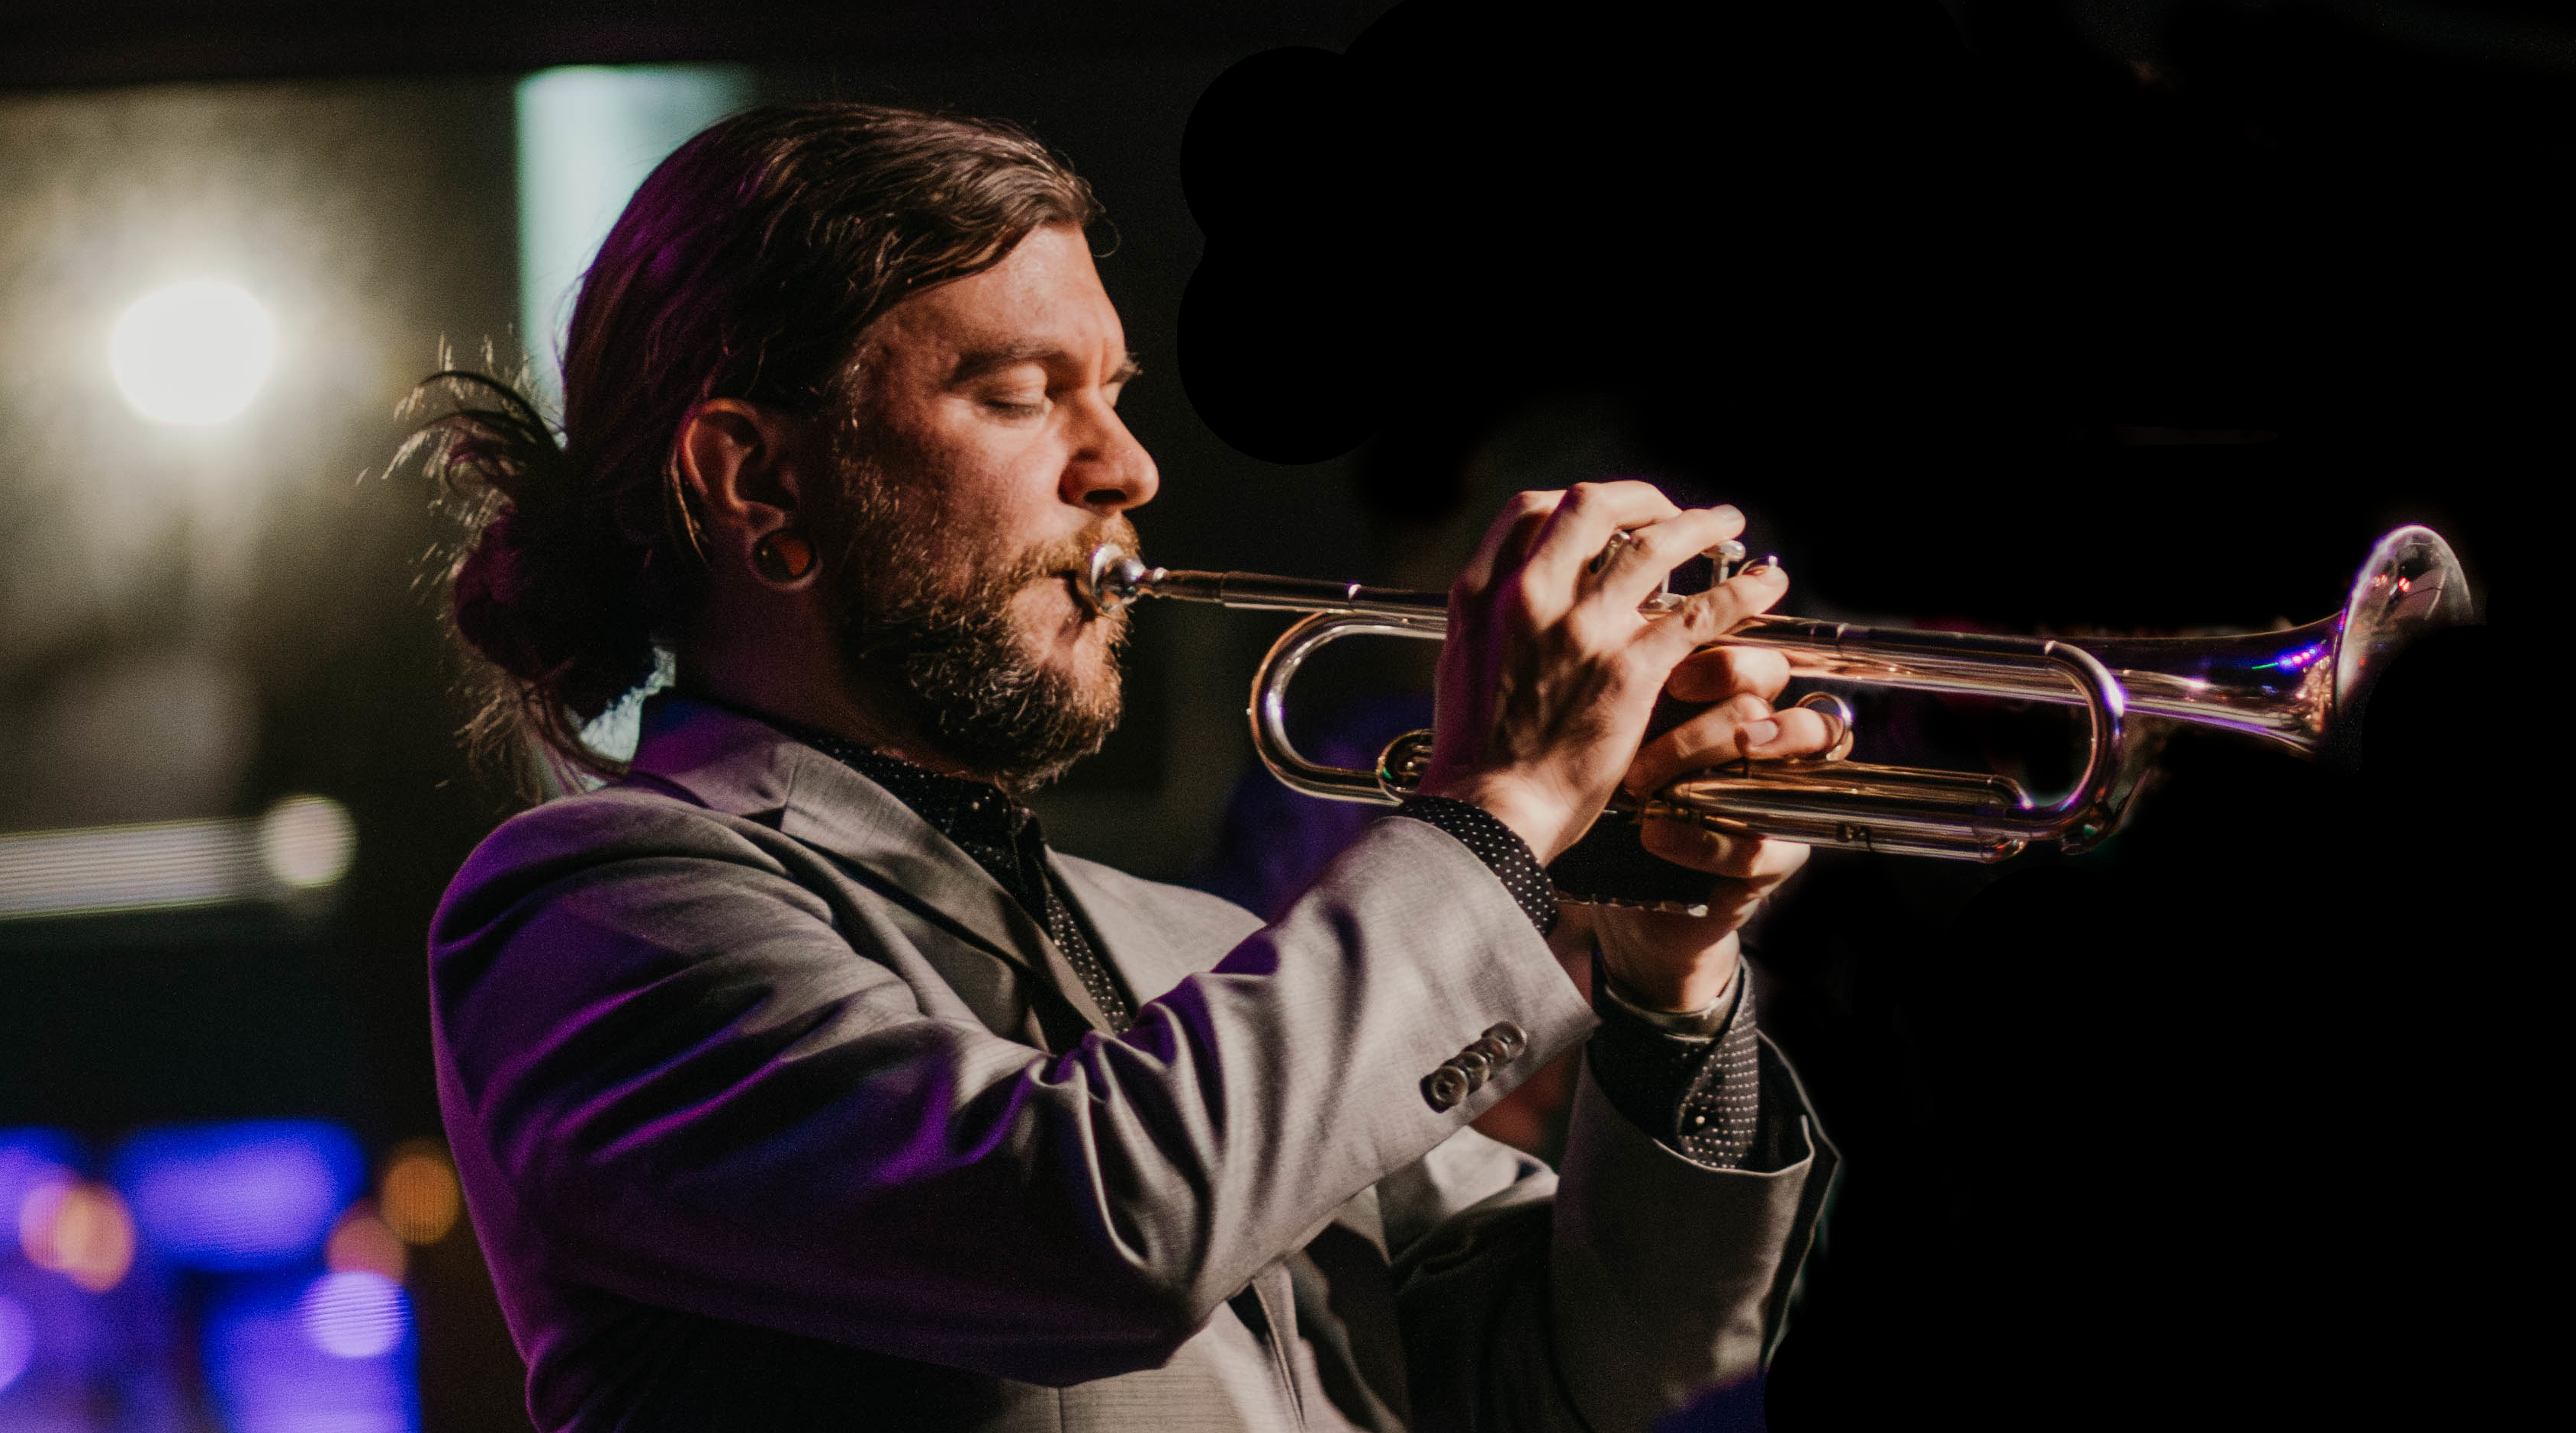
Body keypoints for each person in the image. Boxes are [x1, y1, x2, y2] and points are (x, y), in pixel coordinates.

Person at [416, 102, 1842, 1433]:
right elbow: (1093, 1225)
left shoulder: (1198, 948)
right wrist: (1505, 806)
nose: (1130, 468)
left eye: (1113, 393)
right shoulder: (589, 913)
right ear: (761, 482)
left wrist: (1669, 979)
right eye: (1022, 395)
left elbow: (1613, 1379)